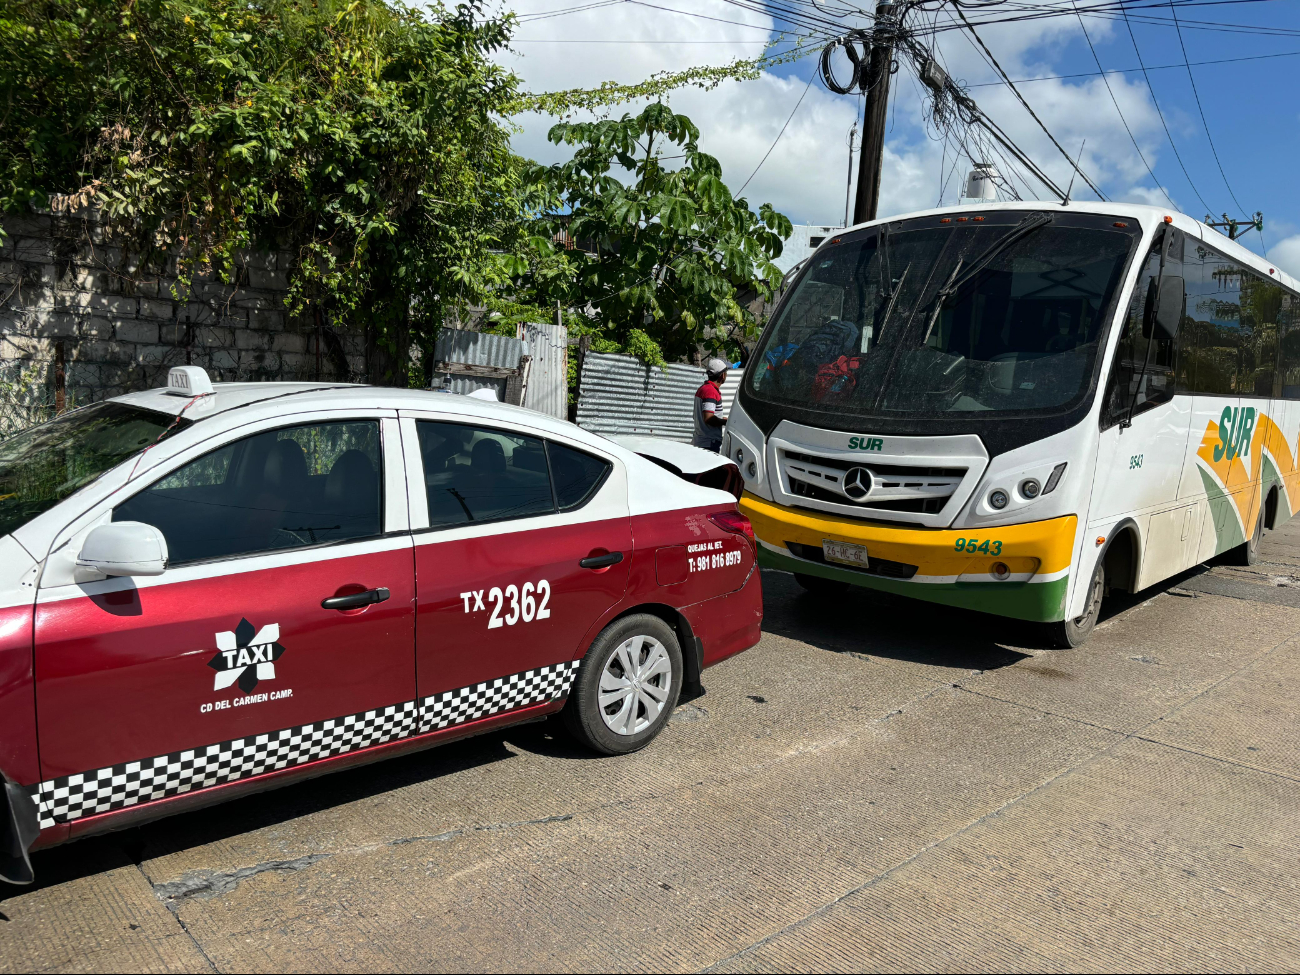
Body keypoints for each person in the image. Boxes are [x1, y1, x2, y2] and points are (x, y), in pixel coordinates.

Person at [692, 357, 730, 452]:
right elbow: (708, 418)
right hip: (709, 444)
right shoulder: (711, 391)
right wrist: (725, 422)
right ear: (722, 375)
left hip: (702, 442)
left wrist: (721, 419)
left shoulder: (704, 388)